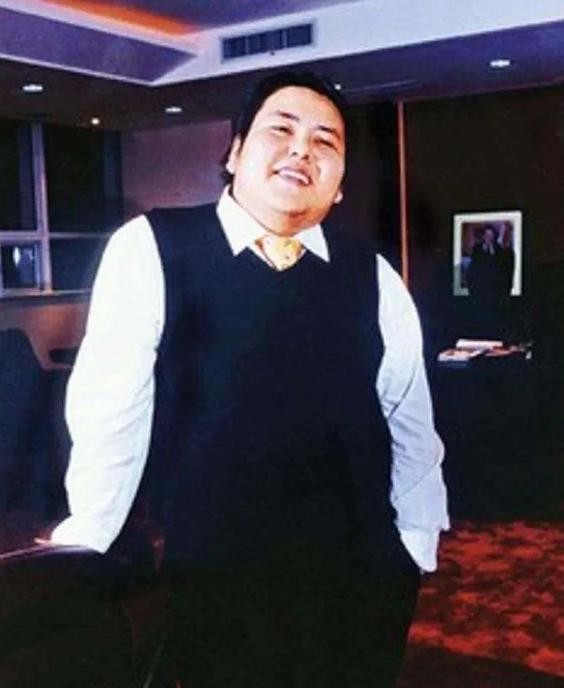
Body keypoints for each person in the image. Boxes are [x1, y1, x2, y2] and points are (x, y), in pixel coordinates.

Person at [49, 71, 449, 687]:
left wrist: (414, 544)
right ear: (234, 153)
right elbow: (110, 410)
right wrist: (90, 542)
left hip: (361, 575)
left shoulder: (372, 275)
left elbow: (409, 418)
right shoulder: (153, 247)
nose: (301, 151)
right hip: (216, 576)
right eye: (281, 130)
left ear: (340, 183)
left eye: (325, 141)